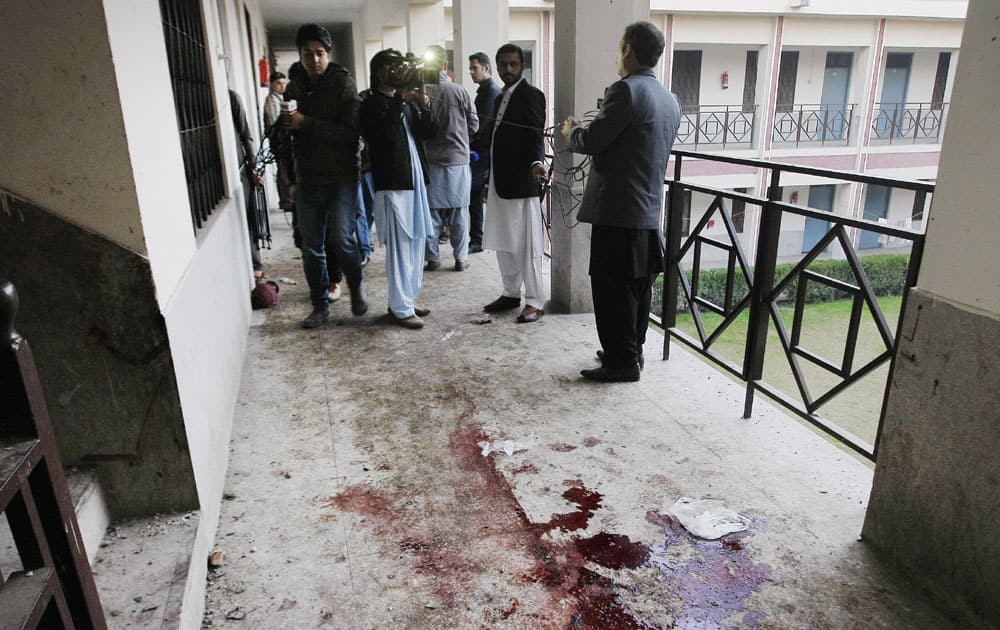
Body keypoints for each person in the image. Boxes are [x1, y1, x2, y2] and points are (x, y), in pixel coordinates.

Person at [561, 21, 680, 382]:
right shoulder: (669, 99)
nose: (617, 54)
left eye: (619, 47)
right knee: (637, 287)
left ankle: (621, 362)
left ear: (628, 49)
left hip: (618, 209)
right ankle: (630, 351)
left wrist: (571, 133)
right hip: (647, 210)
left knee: (612, 288)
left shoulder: (625, 92)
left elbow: (593, 141)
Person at [283, 24, 367, 329]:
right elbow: (286, 138)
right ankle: (320, 305)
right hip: (307, 178)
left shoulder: (343, 84)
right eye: (308, 54)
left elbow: (350, 133)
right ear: (301, 56)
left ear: (328, 54)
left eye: (319, 53)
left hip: (342, 176)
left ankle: (356, 287)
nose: (314, 59)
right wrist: (290, 180)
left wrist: (306, 124)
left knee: (342, 238)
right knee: (310, 245)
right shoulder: (294, 87)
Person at [361, 49, 436, 329]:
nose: (396, 71)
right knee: (400, 247)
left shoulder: (405, 101)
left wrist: (424, 103)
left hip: (414, 180)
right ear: (379, 70)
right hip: (392, 184)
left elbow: (429, 133)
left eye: (399, 66)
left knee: (417, 242)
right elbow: (384, 138)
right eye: (391, 66)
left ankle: (409, 298)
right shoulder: (371, 103)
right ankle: (400, 306)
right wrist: (398, 101)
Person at [481, 43, 548, 324]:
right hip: (500, 182)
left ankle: (534, 300)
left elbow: (535, 134)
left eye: (513, 64)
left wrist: (536, 164)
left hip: (522, 183)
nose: (508, 69)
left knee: (526, 244)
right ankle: (511, 293)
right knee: (503, 242)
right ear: (496, 67)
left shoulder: (532, 95)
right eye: (503, 64)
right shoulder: (500, 97)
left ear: (522, 67)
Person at [422, 45, 478, 272]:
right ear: (446, 65)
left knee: (432, 214)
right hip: (458, 161)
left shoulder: (422, 92)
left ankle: (433, 258)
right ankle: (460, 258)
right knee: (459, 213)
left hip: (431, 162)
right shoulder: (459, 91)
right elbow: (474, 124)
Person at [228, 89, 267, 279]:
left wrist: (254, 168)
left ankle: (255, 263)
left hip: (241, 168)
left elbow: (246, 135)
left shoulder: (231, 97)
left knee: (249, 216)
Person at [468, 52, 502, 255]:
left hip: (483, 153)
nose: (472, 72)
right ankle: (477, 238)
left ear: (486, 68)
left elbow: (483, 126)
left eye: (475, 68)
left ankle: (478, 239)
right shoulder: (485, 91)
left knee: (476, 196)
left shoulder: (490, 92)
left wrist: (472, 140)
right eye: (471, 68)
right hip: (480, 152)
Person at [263, 71, 295, 214]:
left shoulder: (281, 99)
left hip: (282, 141)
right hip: (278, 142)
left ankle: (286, 199)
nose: (282, 86)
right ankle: (285, 200)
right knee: (282, 170)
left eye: (283, 83)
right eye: (278, 83)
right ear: (271, 84)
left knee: (285, 168)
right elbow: (275, 123)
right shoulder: (272, 101)